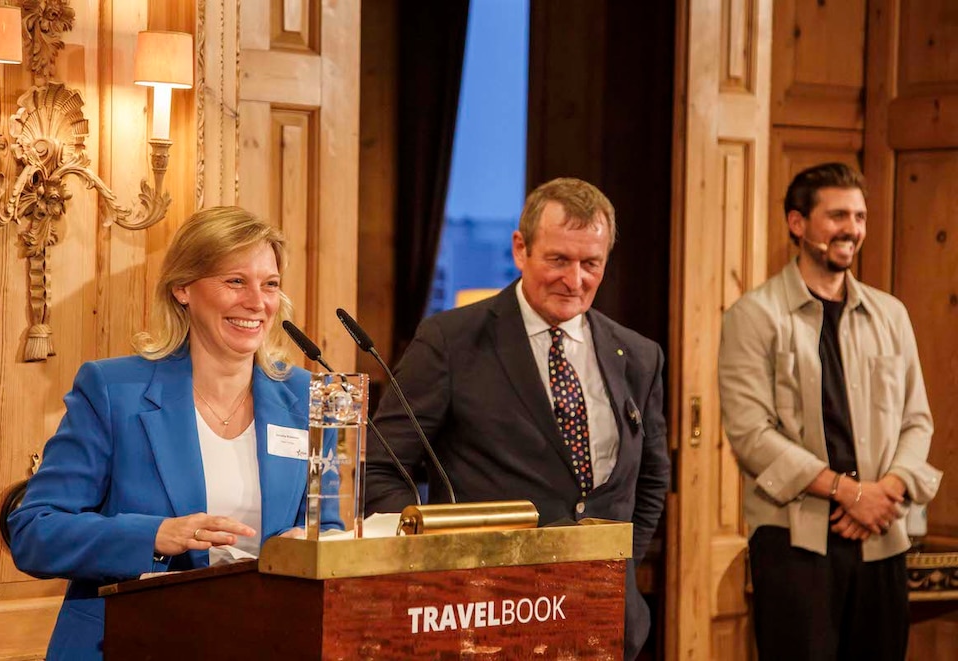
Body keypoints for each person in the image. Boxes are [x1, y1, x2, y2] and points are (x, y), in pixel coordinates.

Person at [366, 177, 671, 660]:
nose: (575, 281)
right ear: (520, 248)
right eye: (558, 260)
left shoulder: (638, 355)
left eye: (591, 263)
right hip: (483, 619)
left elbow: (652, 477)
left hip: (606, 619)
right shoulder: (450, 341)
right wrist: (432, 567)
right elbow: (382, 467)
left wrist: (620, 563)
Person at [8, 206, 323, 660]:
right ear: (182, 289)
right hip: (131, 642)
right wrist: (155, 535)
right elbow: (36, 531)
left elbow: (331, 524)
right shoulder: (114, 391)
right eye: (235, 281)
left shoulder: (308, 398)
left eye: (270, 284)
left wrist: (311, 544)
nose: (258, 302)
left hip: (269, 639)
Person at [718, 163, 942, 660]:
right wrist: (848, 492)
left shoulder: (892, 314)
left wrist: (886, 492)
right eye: (837, 215)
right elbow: (752, 434)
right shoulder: (753, 316)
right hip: (794, 541)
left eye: (860, 216)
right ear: (797, 223)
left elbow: (917, 420)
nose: (853, 229)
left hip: (882, 533)